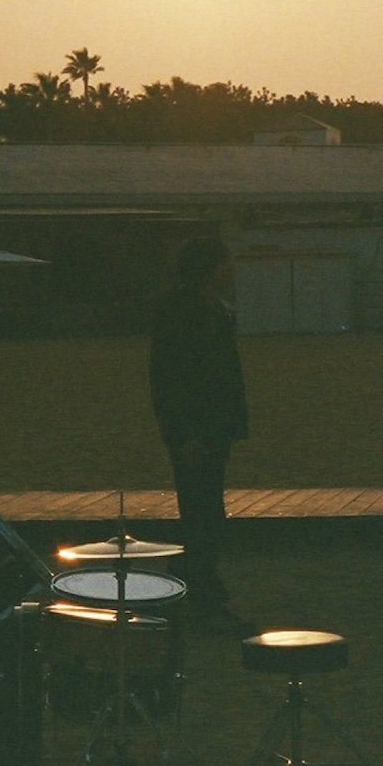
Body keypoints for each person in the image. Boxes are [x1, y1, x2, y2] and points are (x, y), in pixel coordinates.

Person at [148, 237, 251, 631]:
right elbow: (169, 379)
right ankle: (199, 594)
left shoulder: (204, 308)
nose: (231, 269)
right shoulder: (184, 311)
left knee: (205, 512)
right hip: (196, 431)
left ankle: (192, 588)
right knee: (202, 514)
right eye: (225, 262)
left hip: (210, 429)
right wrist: (183, 433)